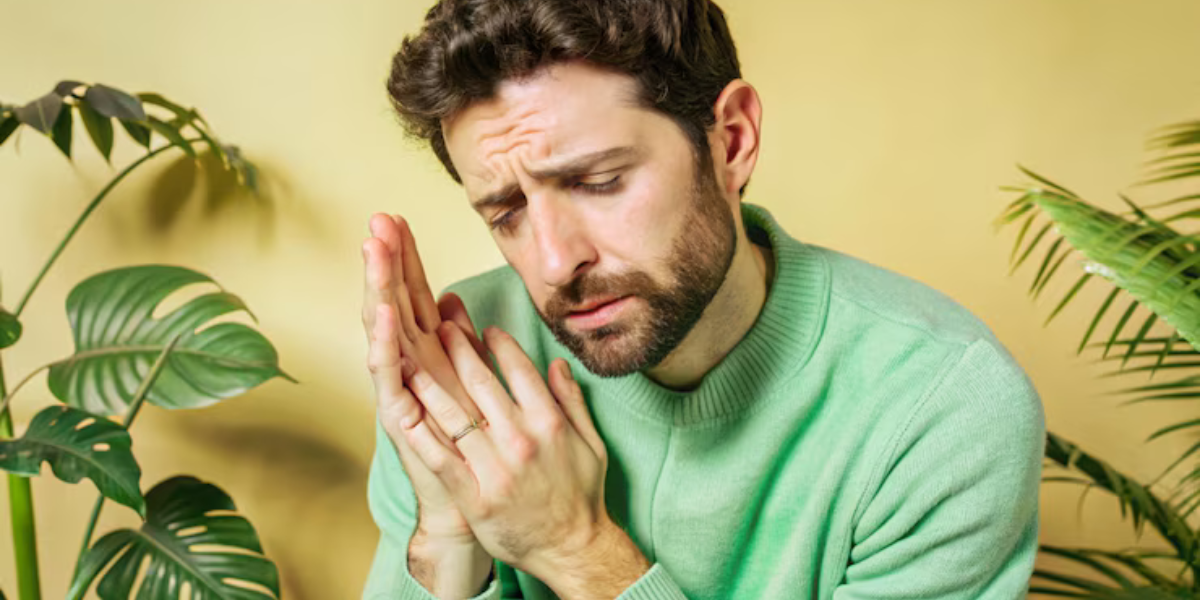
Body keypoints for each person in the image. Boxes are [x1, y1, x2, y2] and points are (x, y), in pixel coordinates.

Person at [360, 0, 1045, 598]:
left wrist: (575, 548)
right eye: (506, 211)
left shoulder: (943, 406)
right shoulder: (467, 365)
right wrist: (448, 534)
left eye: (598, 181)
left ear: (733, 141)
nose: (554, 261)